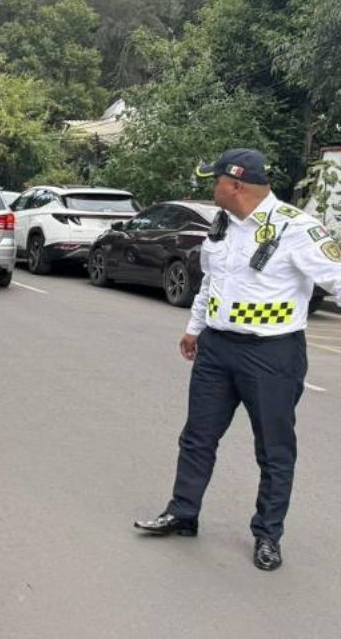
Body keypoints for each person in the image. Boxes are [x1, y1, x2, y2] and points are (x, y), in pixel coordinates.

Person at [134, 149, 341, 571]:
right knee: (197, 436)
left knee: (274, 450)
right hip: (217, 347)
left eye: (215, 182)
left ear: (235, 185)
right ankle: (183, 512)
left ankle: (268, 535)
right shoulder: (222, 224)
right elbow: (212, 281)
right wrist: (195, 327)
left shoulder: (297, 228)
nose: (211, 189)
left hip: (272, 354)